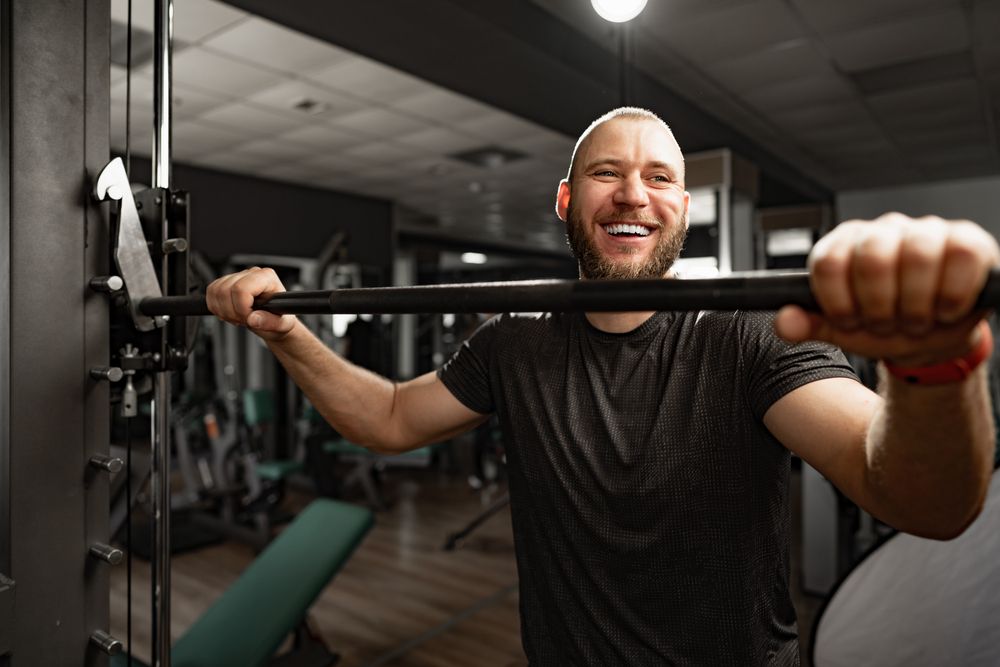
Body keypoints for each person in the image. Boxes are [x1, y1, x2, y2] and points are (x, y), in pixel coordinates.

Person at [206, 107, 998, 665]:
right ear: (566, 199)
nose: (632, 194)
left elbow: (921, 500)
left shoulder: (745, 339)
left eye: (659, 177)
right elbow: (384, 417)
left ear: (683, 210)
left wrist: (931, 368)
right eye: (606, 173)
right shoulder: (512, 344)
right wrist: (287, 332)